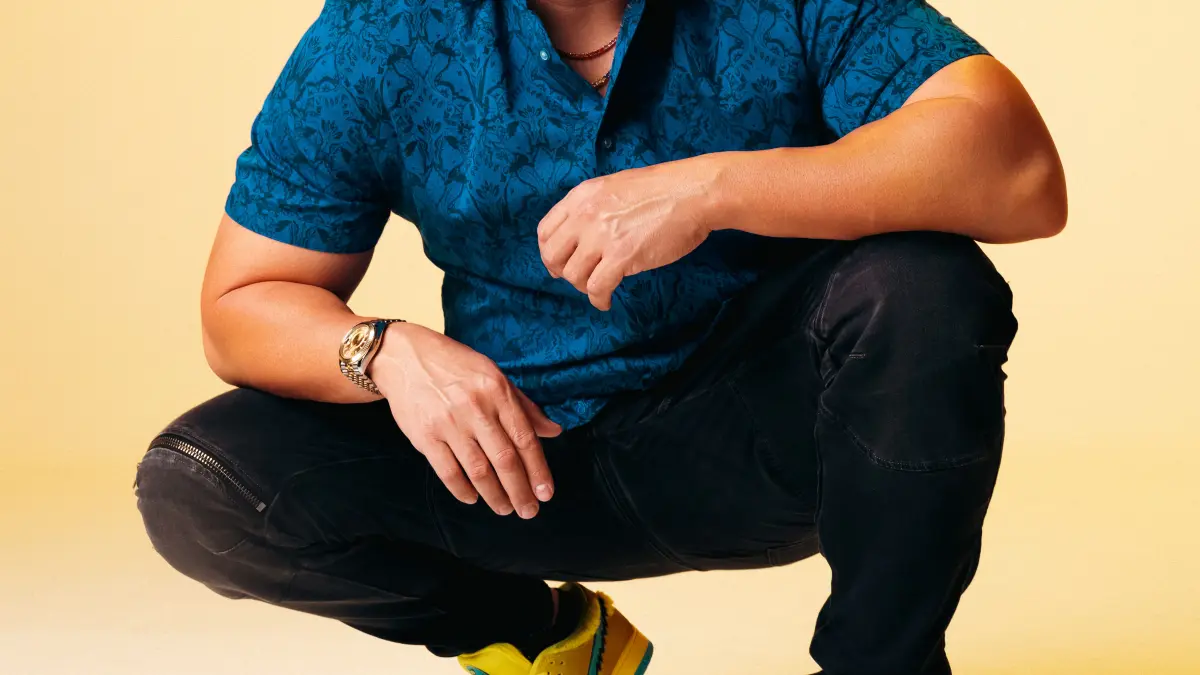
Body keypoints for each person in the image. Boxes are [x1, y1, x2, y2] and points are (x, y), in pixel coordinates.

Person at [133, 0, 1065, 673]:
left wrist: (714, 188)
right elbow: (241, 303)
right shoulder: (381, 30)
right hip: (516, 466)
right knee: (201, 480)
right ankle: (544, 640)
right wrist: (386, 352)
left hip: (767, 440)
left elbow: (1019, 169)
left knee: (925, 283)